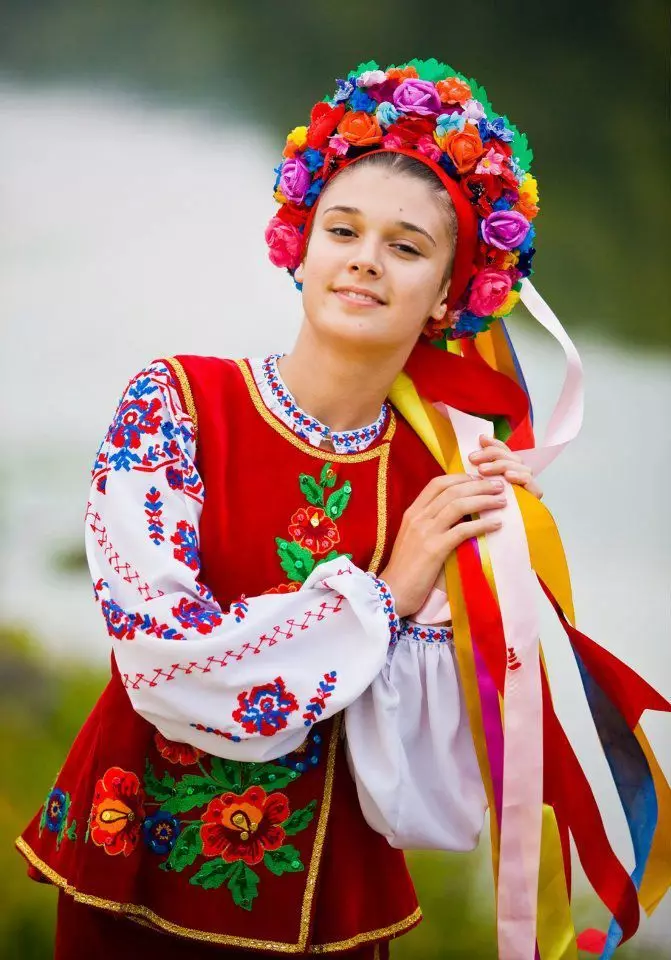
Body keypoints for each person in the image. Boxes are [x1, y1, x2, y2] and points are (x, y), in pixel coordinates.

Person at [16, 59, 670, 960]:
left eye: (405, 246)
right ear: (301, 244)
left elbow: (435, 791)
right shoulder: (174, 405)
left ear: (450, 290)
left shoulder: (448, 479)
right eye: (343, 229)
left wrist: (487, 572)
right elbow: (163, 665)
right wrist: (385, 595)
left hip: (333, 906)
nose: (365, 257)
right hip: (133, 887)